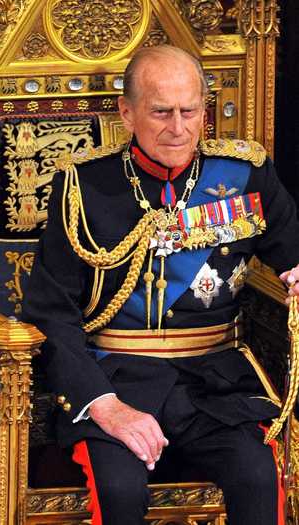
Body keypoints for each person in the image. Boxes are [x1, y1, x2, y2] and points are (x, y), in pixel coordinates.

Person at [22, 44, 299, 525]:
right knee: (119, 491)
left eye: (189, 111)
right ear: (127, 113)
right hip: (118, 381)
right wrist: (103, 405)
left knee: (260, 476)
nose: (178, 128)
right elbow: (51, 312)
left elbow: (292, 253)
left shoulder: (244, 174)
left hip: (216, 382)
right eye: (161, 112)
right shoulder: (84, 186)